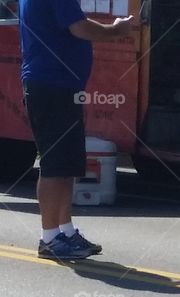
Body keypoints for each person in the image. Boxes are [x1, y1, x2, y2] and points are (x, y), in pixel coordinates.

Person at [20, 0, 132, 260]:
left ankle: (66, 231)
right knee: (53, 164)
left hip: (60, 87)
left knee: (67, 164)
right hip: (51, 86)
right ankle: (49, 238)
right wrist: (115, 30)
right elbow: (80, 28)